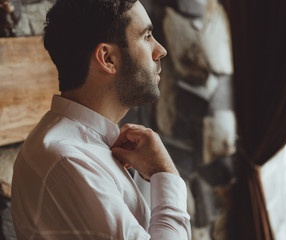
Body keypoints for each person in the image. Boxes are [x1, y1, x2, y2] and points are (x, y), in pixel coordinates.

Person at [11, 0, 191, 239]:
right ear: (107, 58)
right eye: (146, 36)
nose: (160, 50)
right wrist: (165, 172)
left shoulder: (91, 148)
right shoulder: (67, 160)